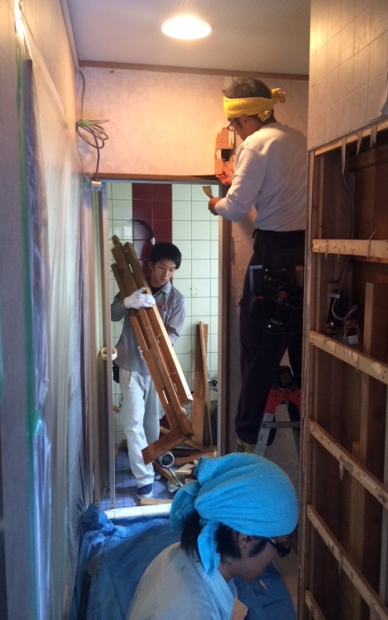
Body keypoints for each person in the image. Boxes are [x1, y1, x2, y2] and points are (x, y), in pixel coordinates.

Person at [208, 77, 307, 452]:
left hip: (272, 254)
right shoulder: (297, 138)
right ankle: (302, 413)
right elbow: (278, 192)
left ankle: (247, 434)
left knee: (254, 336)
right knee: (297, 339)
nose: (235, 132)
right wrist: (239, 181)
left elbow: (235, 209)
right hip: (304, 253)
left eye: (234, 125)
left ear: (246, 118)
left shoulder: (255, 143)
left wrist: (216, 203)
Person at [127, 453, 298, 620]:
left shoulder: (178, 555)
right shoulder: (195, 611)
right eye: (280, 547)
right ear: (245, 538)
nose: (275, 557)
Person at [111, 242, 185, 499]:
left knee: (151, 426)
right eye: (162, 267)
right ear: (151, 265)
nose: (166, 274)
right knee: (133, 424)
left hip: (156, 370)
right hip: (130, 365)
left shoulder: (176, 299)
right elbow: (111, 315)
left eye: (172, 269)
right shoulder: (131, 287)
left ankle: (151, 465)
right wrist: (126, 302)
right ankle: (144, 480)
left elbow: (174, 333)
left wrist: (158, 346)